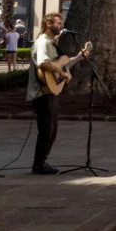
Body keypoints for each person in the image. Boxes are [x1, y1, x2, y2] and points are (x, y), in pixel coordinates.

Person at [27, 12, 83, 175]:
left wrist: (79, 57)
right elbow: (43, 64)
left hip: (49, 91)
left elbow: (63, 65)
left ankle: (42, 161)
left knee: (52, 128)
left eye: (60, 23)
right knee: (46, 129)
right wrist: (62, 72)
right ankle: (39, 164)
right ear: (48, 25)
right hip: (41, 92)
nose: (60, 25)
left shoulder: (52, 43)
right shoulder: (43, 42)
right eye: (57, 23)